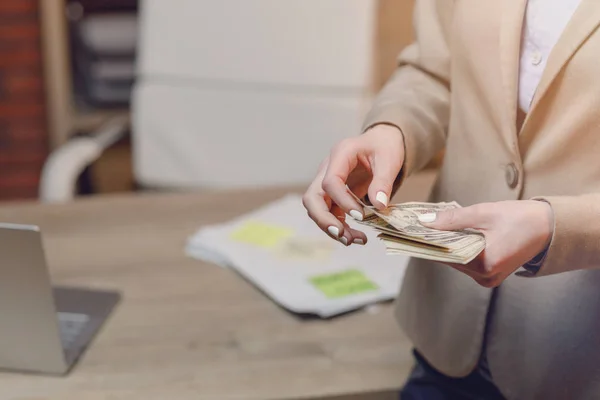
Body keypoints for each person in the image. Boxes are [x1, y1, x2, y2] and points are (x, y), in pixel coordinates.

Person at [302, 0, 600, 399]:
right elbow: (435, 71)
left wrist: (558, 225)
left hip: (581, 359)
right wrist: (393, 129)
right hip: (447, 337)